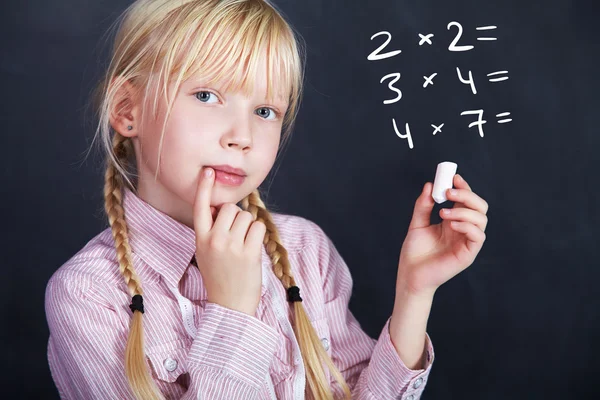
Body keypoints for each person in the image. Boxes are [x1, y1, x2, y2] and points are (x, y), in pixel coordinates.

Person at [45, 0, 489, 399]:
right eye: (206, 96)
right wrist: (233, 312)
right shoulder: (88, 295)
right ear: (127, 109)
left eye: (265, 112)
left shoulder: (304, 251)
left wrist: (414, 292)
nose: (242, 137)